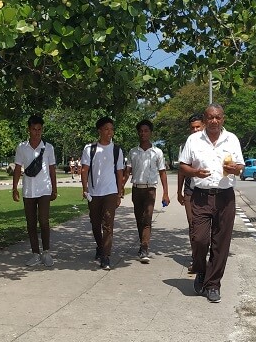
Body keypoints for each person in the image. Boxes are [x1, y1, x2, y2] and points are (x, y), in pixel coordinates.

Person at [178, 104, 245, 303]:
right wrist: (194, 173)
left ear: (223, 119)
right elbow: (183, 166)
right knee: (199, 239)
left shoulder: (231, 139)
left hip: (225, 197)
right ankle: (201, 270)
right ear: (205, 120)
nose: (214, 121)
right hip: (200, 196)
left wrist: (235, 169)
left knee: (221, 243)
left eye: (218, 117)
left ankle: (213, 284)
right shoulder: (194, 139)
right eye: (210, 118)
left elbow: (241, 166)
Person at [12, 114, 58, 267]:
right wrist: (14, 188)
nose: (37, 132)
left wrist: (54, 188)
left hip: (44, 189)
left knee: (44, 221)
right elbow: (18, 169)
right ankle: (35, 253)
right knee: (31, 223)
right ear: (29, 130)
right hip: (28, 191)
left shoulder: (49, 148)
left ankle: (46, 252)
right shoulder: (21, 147)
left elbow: (52, 170)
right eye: (34, 129)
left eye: (40, 129)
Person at [122, 119, 170, 263]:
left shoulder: (157, 152)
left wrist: (166, 193)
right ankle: (142, 243)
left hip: (150, 190)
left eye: (146, 131)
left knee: (147, 218)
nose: (143, 133)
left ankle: (144, 248)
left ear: (150, 133)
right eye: (141, 131)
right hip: (137, 190)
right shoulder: (133, 152)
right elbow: (127, 171)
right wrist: (121, 188)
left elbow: (162, 173)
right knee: (139, 219)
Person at [80, 116, 125, 271]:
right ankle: (100, 246)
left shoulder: (116, 150)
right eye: (106, 129)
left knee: (108, 224)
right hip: (94, 192)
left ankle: (106, 256)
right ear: (99, 130)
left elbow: (120, 173)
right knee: (95, 223)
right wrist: (85, 188)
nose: (109, 132)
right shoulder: (90, 149)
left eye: (111, 129)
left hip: (110, 191)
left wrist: (119, 192)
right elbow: (84, 170)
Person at [176, 113, 204, 273]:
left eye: (198, 127)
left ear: (204, 126)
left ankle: (208, 258)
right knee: (193, 226)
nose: (195, 130)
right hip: (190, 191)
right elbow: (181, 170)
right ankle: (197, 260)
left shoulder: (212, 144)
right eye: (192, 128)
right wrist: (179, 192)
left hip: (208, 192)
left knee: (208, 228)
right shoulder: (187, 145)